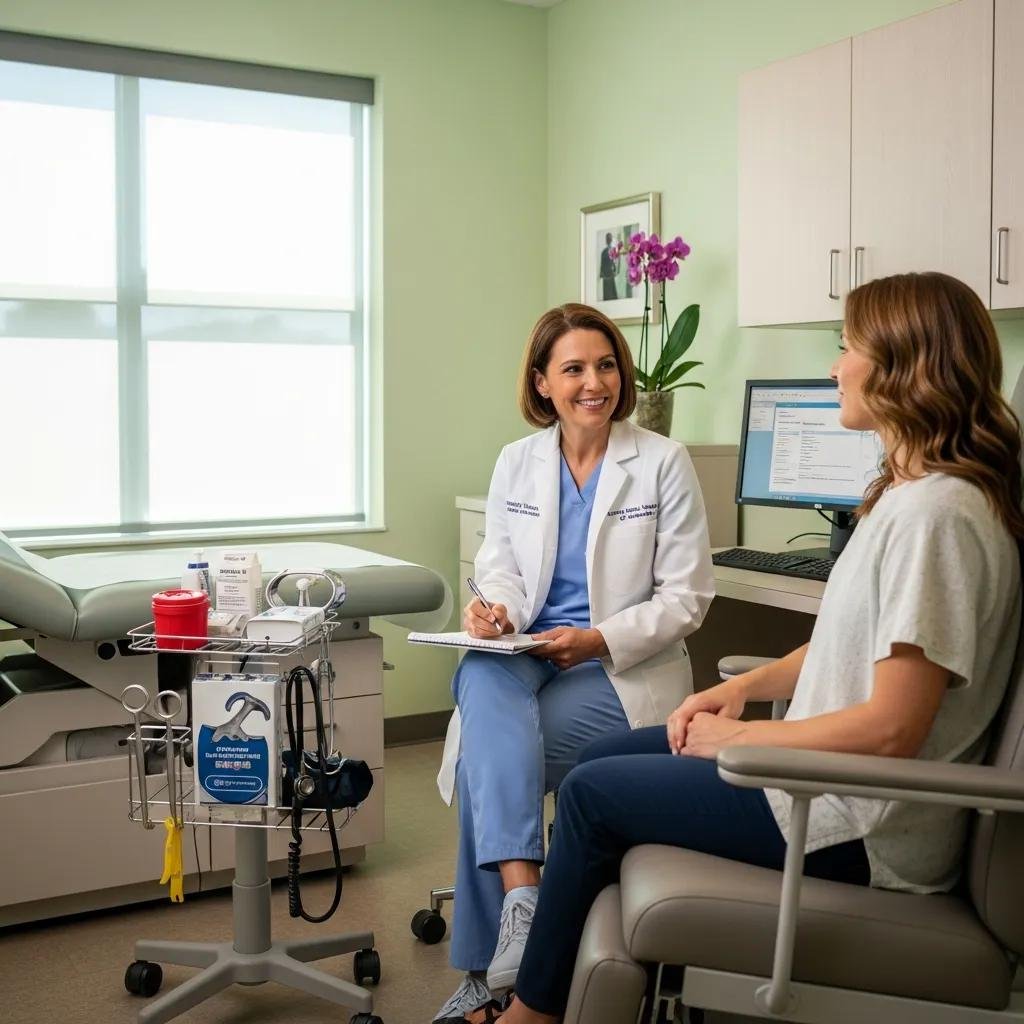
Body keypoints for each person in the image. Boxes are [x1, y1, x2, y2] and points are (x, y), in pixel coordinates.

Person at [491, 271, 1024, 1024]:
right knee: (595, 763)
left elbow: (894, 728)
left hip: (857, 824)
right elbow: (848, 643)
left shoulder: (937, 517)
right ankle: (601, 986)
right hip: (824, 785)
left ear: (906, 367)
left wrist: (740, 737)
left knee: (589, 795)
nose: (835, 367)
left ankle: (533, 1013)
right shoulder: (910, 497)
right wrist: (739, 688)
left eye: (847, 349)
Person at [432, 302, 714, 1023]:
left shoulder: (661, 462)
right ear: (543, 383)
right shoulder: (516, 462)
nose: (596, 382)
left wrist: (596, 640)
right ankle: (526, 901)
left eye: (607, 365)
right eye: (575, 369)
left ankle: (482, 977)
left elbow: (687, 600)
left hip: (618, 668)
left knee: (484, 758)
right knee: (481, 670)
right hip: (530, 650)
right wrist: (493, 610)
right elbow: (500, 568)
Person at [599, 233, 618, 300]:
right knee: (607, 293)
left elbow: (614, 262)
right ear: (606, 240)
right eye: (607, 239)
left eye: (610, 238)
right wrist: (601, 274)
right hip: (605, 275)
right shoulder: (604, 252)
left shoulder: (613, 250)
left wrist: (615, 270)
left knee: (613, 293)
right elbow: (602, 263)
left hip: (611, 274)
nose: (608, 240)